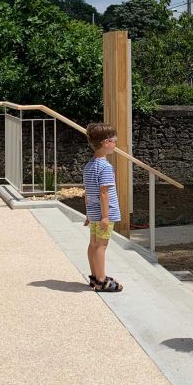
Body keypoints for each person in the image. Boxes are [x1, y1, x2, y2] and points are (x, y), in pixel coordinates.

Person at [82, 122, 124, 293]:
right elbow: (104, 193)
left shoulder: (89, 165)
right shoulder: (105, 167)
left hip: (93, 213)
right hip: (104, 213)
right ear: (106, 143)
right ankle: (101, 279)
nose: (115, 144)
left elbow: (87, 192)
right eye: (114, 141)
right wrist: (105, 216)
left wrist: (88, 214)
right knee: (101, 246)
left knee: (93, 244)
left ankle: (94, 276)